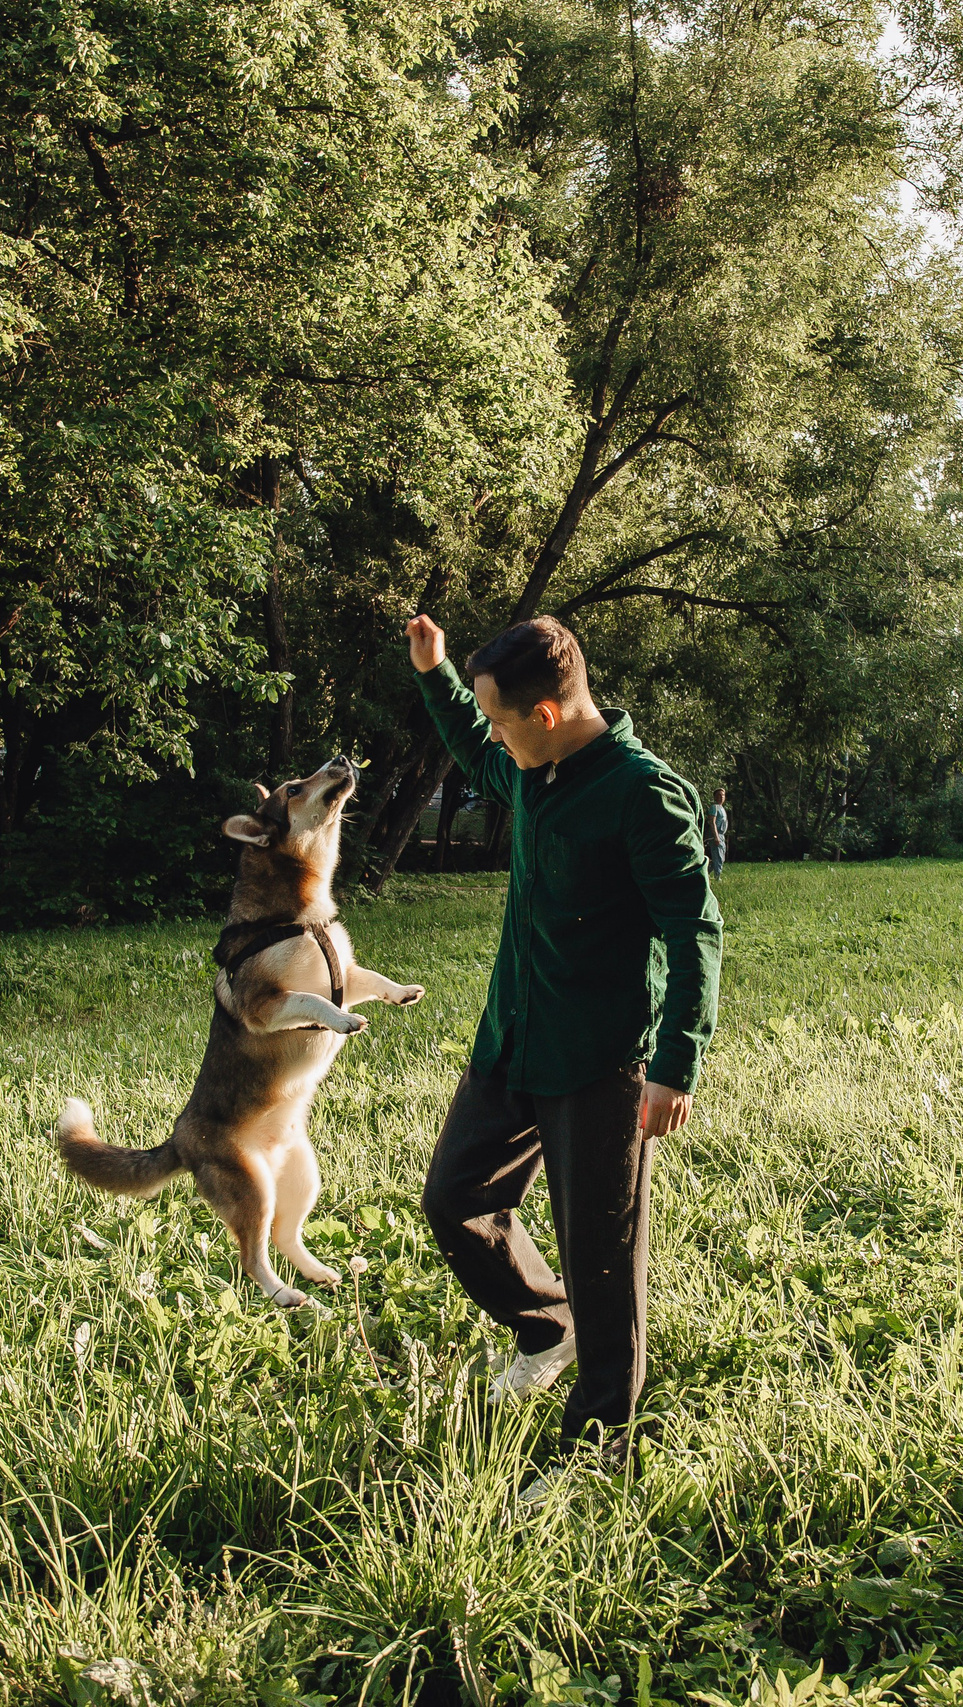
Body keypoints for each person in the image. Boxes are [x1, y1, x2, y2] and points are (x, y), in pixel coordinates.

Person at [404, 612, 721, 1474]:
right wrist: (436, 675)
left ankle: (597, 1445)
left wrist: (675, 1063)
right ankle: (546, 1330)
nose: (493, 737)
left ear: (545, 715)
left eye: (502, 719)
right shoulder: (531, 772)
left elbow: (695, 930)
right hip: (512, 1038)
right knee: (453, 1199)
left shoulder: (642, 793)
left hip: (600, 1061)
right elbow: (476, 752)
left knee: (603, 1260)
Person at [707, 788, 730, 878]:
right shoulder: (714, 807)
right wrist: (716, 836)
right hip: (716, 835)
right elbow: (712, 822)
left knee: (720, 858)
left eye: (723, 795)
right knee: (718, 857)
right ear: (715, 797)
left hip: (721, 835)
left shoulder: (722, 808)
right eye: (719, 795)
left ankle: (705, 873)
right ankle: (717, 877)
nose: (721, 797)